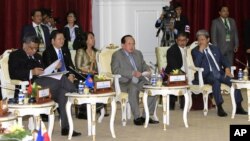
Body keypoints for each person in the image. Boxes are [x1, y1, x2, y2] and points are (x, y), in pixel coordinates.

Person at [8, 33, 81, 136]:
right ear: (24, 45)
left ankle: (66, 128)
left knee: (63, 92)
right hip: (31, 86)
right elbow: (13, 73)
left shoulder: (37, 56)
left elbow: (46, 72)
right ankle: (78, 92)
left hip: (45, 84)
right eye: (31, 48)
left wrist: (54, 68)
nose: (34, 51)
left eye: (36, 48)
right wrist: (32, 72)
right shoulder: (15, 55)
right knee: (62, 79)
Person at [191, 29, 247, 117]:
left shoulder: (215, 48)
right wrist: (201, 51)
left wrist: (227, 68)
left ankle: (238, 107)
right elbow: (197, 64)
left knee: (234, 82)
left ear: (208, 39)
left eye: (202, 39)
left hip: (220, 73)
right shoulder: (195, 51)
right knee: (216, 82)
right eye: (198, 40)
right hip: (206, 76)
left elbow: (224, 60)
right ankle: (220, 107)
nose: (200, 42)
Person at [111, 35, 159, 125]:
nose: (132, 46)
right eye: (129, 44)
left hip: (139, 79)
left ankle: (146, 116)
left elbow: (143, 65)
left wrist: (148, 70)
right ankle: (137, 117)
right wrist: (132, 73)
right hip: (124, 83)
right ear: (122, 45)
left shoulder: (138, 53)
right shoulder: (117, 55)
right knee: (133, 87)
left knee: (153, 88)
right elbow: (115, 70)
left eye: (133, 44)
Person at [165, 32, 189, 110]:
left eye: (184, 40)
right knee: (180, 78)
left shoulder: (189, 49)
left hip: (186, 72)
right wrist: (184, 76)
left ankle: (187, 104)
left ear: (187, 40)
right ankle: (172, 104)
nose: (182, 42)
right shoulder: (171, 50)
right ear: (176, 40)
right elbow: (173, 67)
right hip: (173, 73)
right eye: (179, 40)